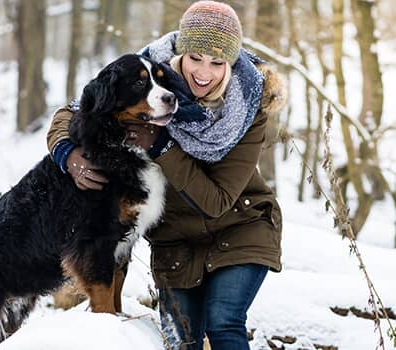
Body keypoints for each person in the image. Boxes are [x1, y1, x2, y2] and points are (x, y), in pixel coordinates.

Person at [46, 1, 287, 349]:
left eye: (218, 63)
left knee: (224, 322)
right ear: (180, 53)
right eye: (195, 58)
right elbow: (77, 110)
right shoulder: (149, 81)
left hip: (241, 227)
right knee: (181, 341)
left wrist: (162, 147)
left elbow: (217, 202)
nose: (204, 72)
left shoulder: (248, 108)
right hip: (174, 242)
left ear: (230, 64)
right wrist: (67, 154)